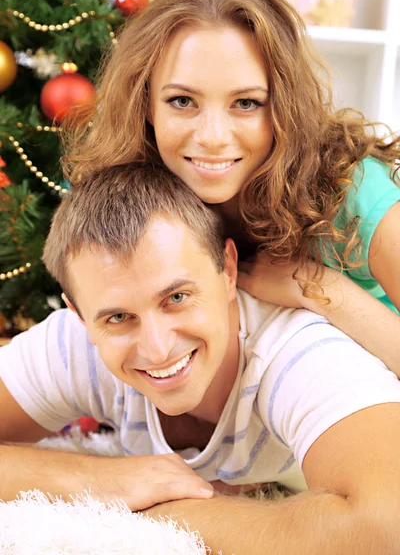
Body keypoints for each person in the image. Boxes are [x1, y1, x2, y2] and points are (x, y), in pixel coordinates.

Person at [1, 162, 400, 554]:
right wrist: (97, 479)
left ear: (227, 270)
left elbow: (383, 527)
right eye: (119, 317)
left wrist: (165, 512)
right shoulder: (75, 343)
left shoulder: (298, 351)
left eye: (176, 298)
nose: (157, 349)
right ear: (79, 315)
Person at [62, 0, 400, 376]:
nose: (213, 137)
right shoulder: (136, 197)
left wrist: (319, 286)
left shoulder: (354, 193)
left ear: (284, 107)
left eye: (246, 103)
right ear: (145, 103)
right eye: (183, 101)